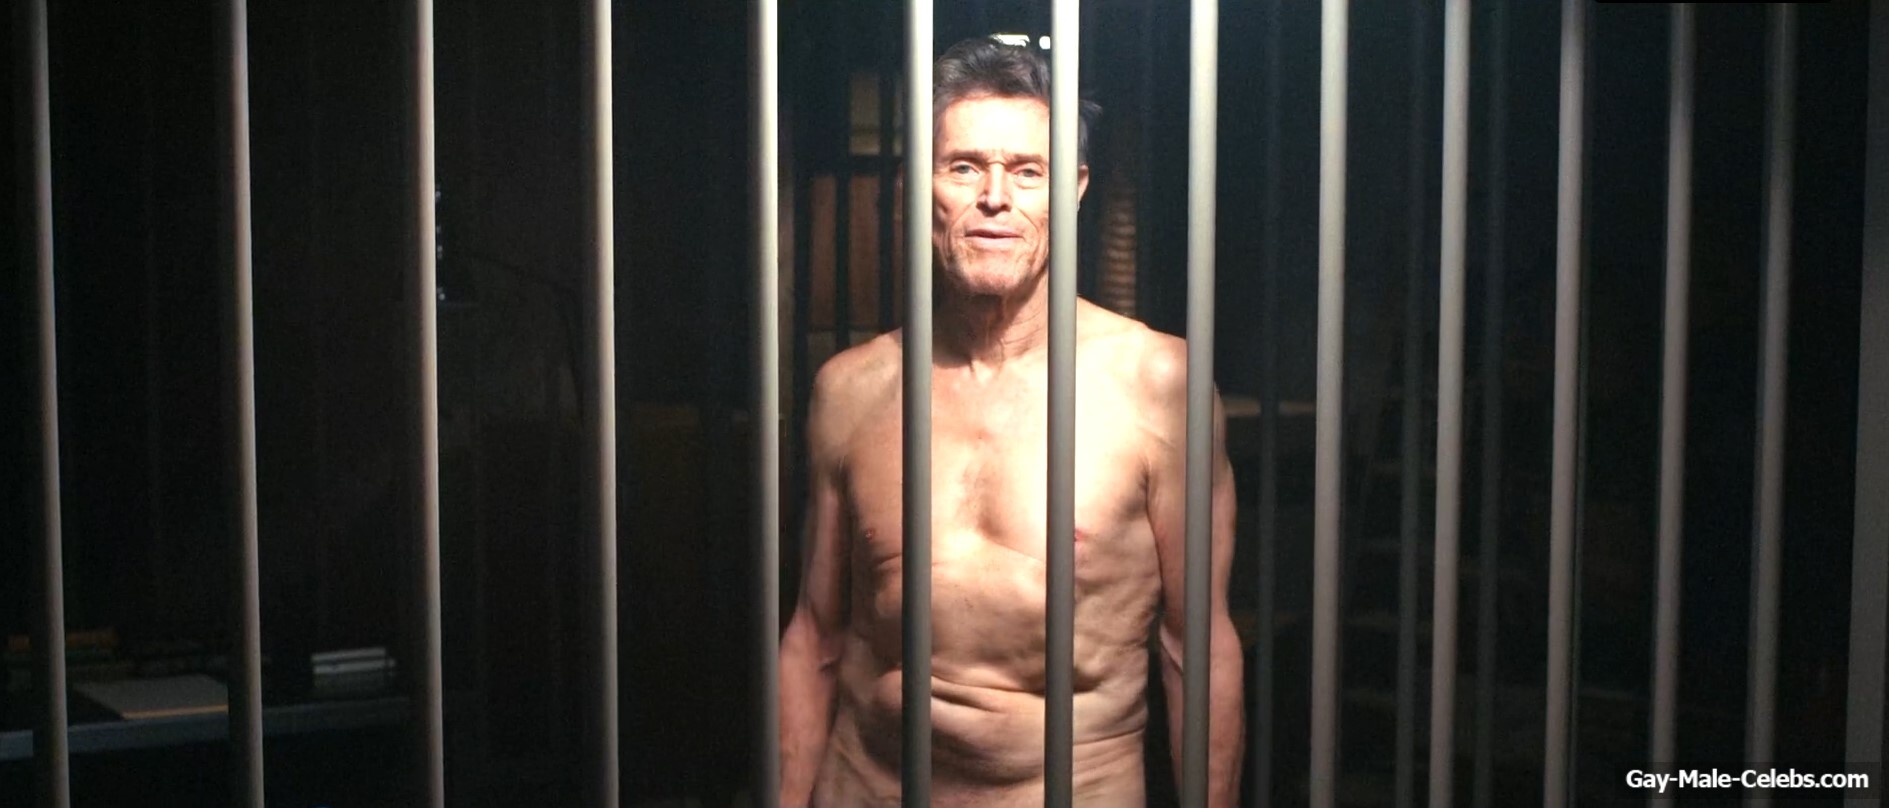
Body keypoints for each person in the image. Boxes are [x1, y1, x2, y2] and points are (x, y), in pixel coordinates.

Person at [778, 37, 1243, 807]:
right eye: (963, 167)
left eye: (1029, 171)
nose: (995, 197)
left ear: (1075, 189)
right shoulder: (851, 389)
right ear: (916, 185)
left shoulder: (1158, 384)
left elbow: (1194, 649)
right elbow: (815, 638)